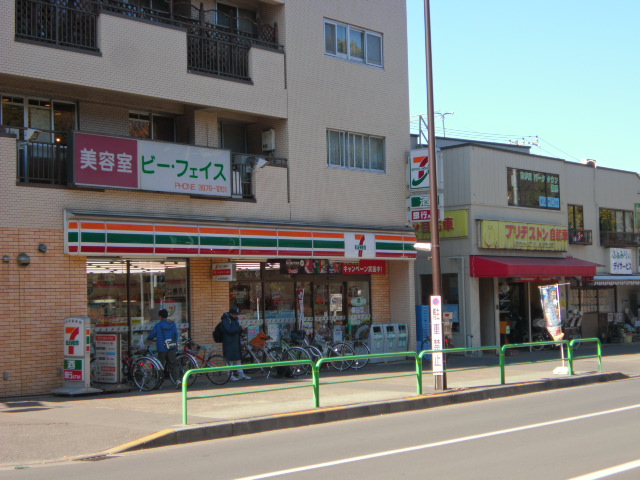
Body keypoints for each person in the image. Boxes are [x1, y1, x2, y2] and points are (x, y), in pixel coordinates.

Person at [147, 308, 181, 388]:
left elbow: (152, 335)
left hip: (162, 348)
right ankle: (178, 381)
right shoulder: (173, 324)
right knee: (173, 365)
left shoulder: (158, 325)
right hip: (171, 347)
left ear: (160, 316)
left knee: (160, 366)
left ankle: (159, 383)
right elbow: (176, 335)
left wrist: (148, 339)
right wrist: (174, 343)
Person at [220, 306, 251, 381]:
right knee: (229, 359)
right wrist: (240, 328)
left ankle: (241, 374)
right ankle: (230, 375)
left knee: (238, 359)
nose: (236, 315)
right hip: (228, 342)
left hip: (235, 341)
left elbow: (236, 328)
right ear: (231, 313)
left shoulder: (235, 319)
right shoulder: (226, 319)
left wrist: (241, 330)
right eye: (235, 314)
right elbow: (228, 329)